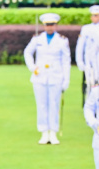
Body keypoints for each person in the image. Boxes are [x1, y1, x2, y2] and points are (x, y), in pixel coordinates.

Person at [24, 13, 71, 145]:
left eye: (52, 25)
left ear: (56, 25)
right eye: (47, 25)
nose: (49, 27)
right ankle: (44, 132)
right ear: (44, 26)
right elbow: (27, 52)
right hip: (40, 76)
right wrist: (33, 67)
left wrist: (66, 80)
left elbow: (66, 61)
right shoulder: (37, 39)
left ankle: (53, 132)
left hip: (56, 76)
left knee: (54, 105)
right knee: (42, 105)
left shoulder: (62, 40)